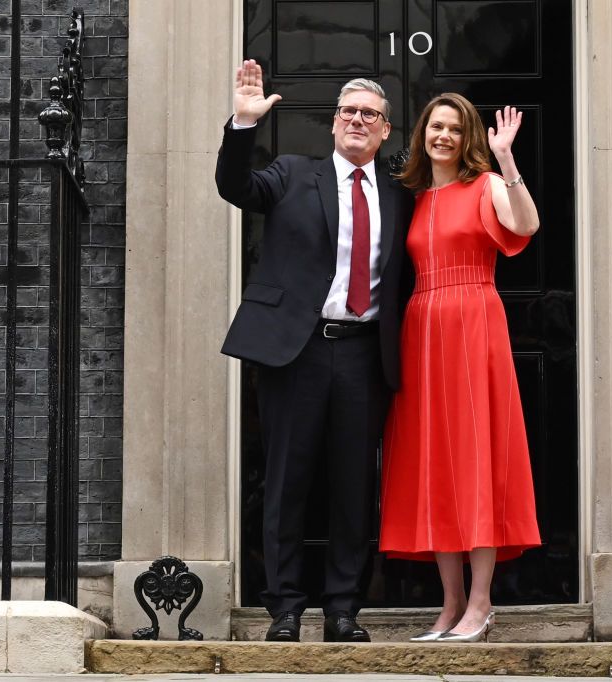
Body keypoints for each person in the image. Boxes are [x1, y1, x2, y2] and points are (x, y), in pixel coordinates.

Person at [216, 60, 413, 643]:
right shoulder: (291, 174)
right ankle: (284, 608)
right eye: (348, 111)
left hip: (362, 354)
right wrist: (242, 125)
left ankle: (344, 609)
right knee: (287, 481)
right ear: (333, 125)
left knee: (354, 486)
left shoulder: (402, 194)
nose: (357, 120)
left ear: (384, 130)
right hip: (295, 351)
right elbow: (236, 187)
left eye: (369, 115)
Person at [378, 93, 542, 643]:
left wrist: (507, 160)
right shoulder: (415, 197)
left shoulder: (485, 184)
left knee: (477, 459)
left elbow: (527, 225)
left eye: (453, 128)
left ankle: (481, 603)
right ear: (423, 133)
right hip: (423, 328)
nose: (442, 135)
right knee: (437, 462)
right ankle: (449, 607)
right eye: (434, 126)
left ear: (468, 136)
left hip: (474, 321)